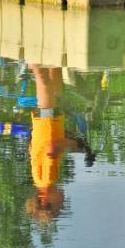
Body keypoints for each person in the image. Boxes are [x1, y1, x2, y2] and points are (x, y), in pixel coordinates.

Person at [23, 64, 91, 225]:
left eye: (59, 204)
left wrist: (77, 145)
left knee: (42, 78)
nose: (63, 200)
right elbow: (32, 149)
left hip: (48, 121)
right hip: (46, 123)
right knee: (56, 79)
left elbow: (52, 146)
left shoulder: (48, 179)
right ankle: (52, 53)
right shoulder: (38, 180)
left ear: (44, 201)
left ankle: (32, 56)